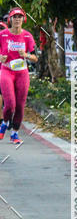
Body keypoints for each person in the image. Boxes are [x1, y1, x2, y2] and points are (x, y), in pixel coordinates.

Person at [0, 7, 38, 144]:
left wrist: (26, 55)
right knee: (10, 104)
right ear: (10, 20)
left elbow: (35, 58)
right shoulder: (2, 35)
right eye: (14, 17)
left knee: (20, 105)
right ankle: (4, 123)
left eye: (19, 17)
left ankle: (14, 134)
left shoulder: (27, 36)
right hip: (7, 71)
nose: (17, 19)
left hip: (22, 73)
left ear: (23, 19)